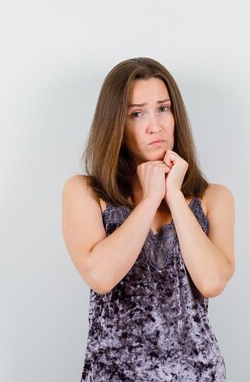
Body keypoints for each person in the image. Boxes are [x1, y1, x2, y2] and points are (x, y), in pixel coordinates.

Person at [62, 57, 236, 381]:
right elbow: (101, 275)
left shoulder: (214, 199)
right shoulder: (86, 193)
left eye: (163, 109)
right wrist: (150, 198)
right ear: (116, 124)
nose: (154, 125)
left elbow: (212, 281)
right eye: (137, 113)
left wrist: (174, 196)